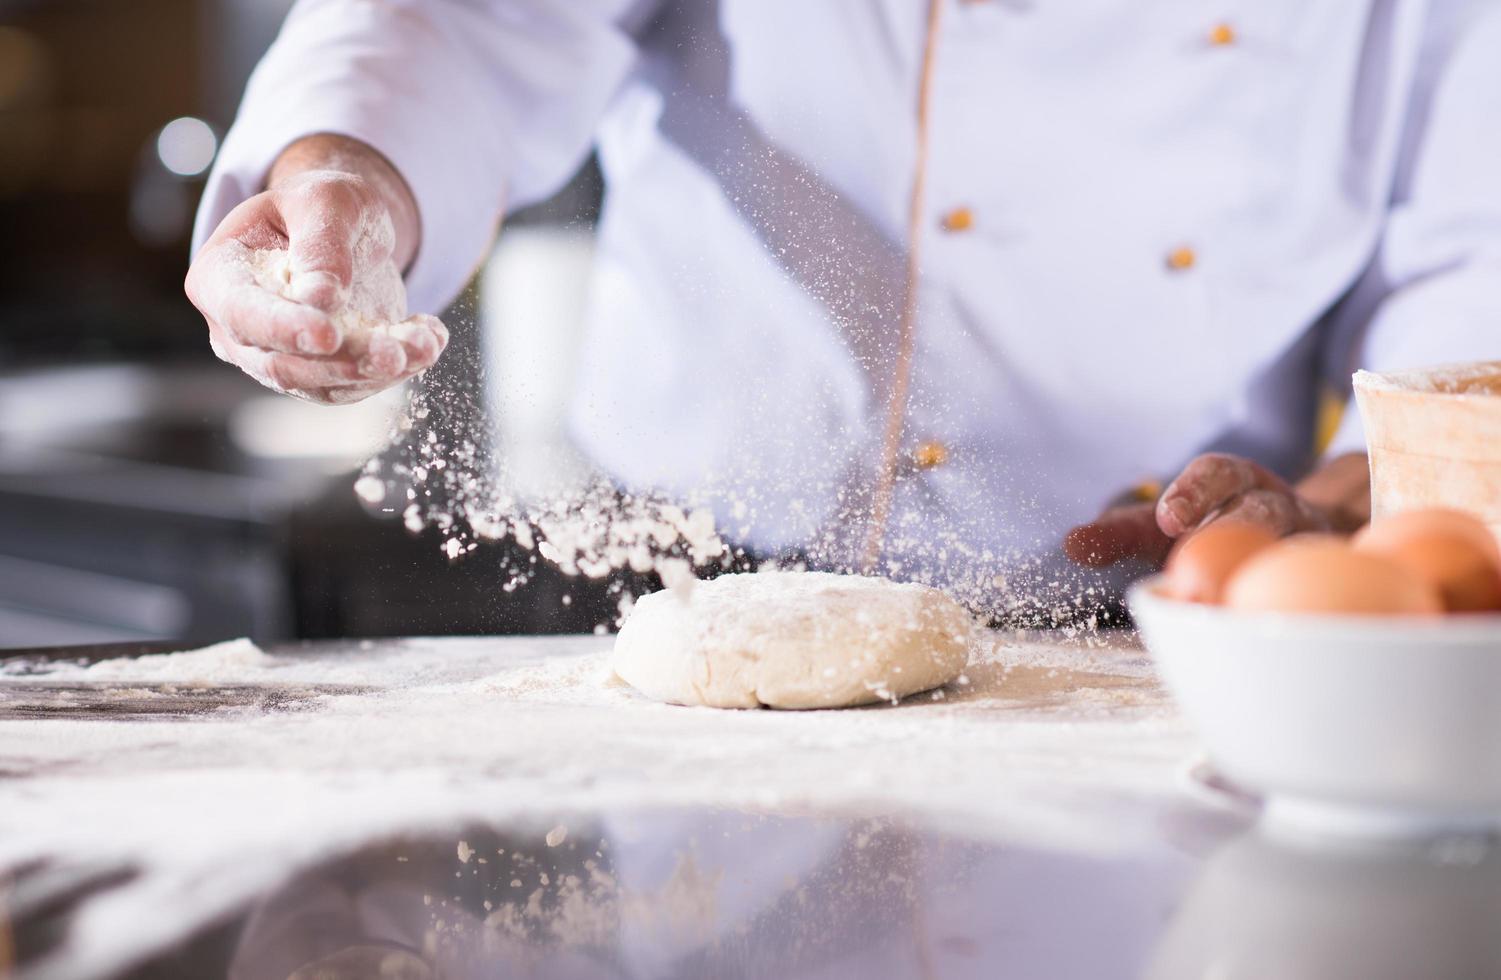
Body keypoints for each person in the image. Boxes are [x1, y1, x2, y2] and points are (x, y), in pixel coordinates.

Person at [187, 1, 1501, 605]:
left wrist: (1351, 508)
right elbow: (467, 23)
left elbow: (1472, 261)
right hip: (669, 591)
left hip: (1153, 624)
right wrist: (348, 170)